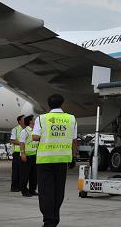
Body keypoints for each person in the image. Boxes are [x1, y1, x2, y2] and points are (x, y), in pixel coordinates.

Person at [32, 94, 77, 227]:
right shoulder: (71, 119)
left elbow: (35, 137)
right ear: (62, 104)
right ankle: (55, 218)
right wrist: (73, 156)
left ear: (48, 105)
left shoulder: (42, 118)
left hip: (45, 160)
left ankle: (48, 220)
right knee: (58, 190)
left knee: (46, 191)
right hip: (62, 159)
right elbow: (74, 141)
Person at [19, 115, 38, 197]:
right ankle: (24, 191)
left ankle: (32, 190)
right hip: (27, 156)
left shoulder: (35, 131)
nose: (34, 120)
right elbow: (21, 143)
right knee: (25, 175)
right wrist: (23, 153)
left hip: (35, 156)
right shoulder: (25, 131)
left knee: (34, 175)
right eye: (33, 119)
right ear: (30, 121)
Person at [10, 115, 25, 192]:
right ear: (19, 121)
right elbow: (13, 141)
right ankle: (14, 187)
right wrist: (22, 143)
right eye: (23, 119)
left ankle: (21, 186)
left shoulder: (27, 129)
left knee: (23, 171)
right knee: (16, 171)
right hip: (17, 153)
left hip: (25, 153)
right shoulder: (15, 129)